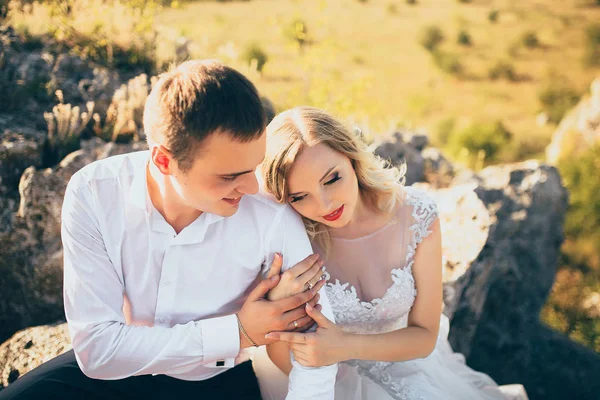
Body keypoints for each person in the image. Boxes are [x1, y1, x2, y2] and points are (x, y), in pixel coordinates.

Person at [0, 62, 337, 400]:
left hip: (215, 383)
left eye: (254, 166)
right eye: (229, 176)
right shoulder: (93, 192)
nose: (251, 187)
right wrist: (238, 331)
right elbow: (97, 349)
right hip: (114, 375)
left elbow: (315, 355)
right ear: (163, 160)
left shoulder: (273, 215)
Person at [252, 106, 529, 400]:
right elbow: (280, 351)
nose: (324, 205)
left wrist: (346, 345)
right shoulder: (289, 240)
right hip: (321, 379)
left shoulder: (417, 217)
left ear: (352, 158)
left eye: (332, 179)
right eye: (299, 196)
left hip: (407, 363)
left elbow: (424, 335)